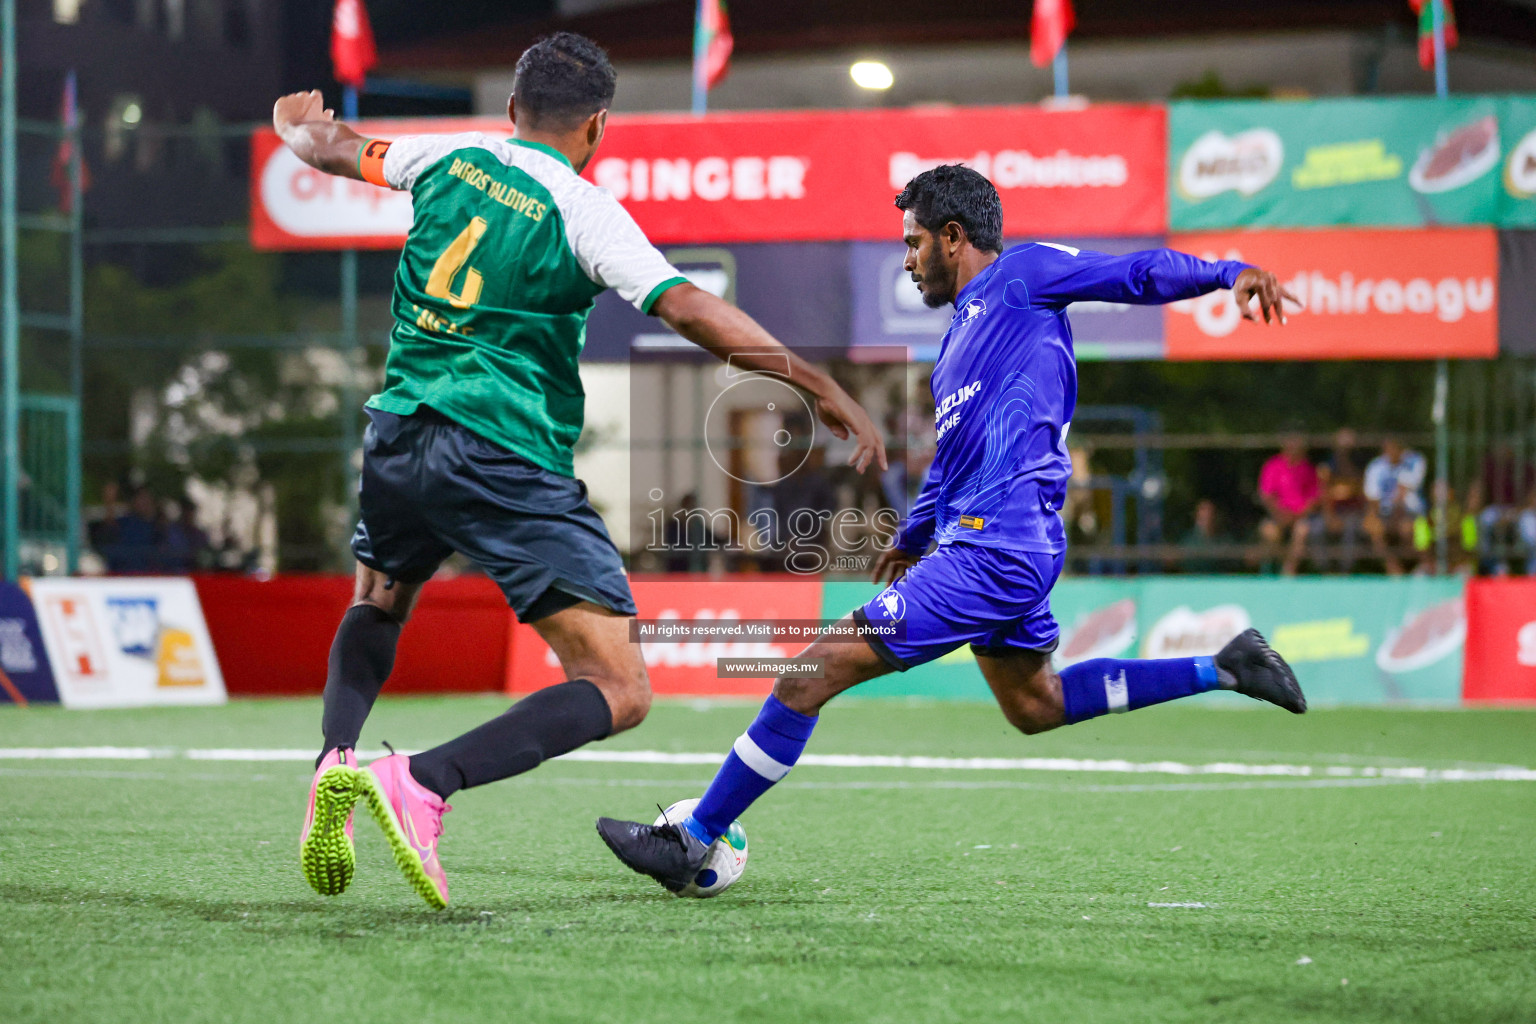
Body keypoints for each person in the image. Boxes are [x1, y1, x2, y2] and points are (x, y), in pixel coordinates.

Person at [275, 33, 886, 909]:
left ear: (513, 108)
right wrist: (815, 380)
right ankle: (421, 781)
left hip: (399, 434)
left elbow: (331, 147)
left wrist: (295, 124)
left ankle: (333, 761)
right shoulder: (582, 208)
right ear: (597, 125)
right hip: (501, 451)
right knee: (618, 687)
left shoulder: (448, 156)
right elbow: (687, 306)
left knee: (378, 597)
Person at [596, 165, 1307, 893]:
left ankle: (694, 838)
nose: (907, 260)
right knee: (1036, 706)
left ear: (953, 238)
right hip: (990, 544)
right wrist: (913, 534)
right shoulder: (956, 350)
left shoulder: (1023, 276)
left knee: (809, 673)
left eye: (913, 244)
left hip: (997, 548)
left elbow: (1133, 272)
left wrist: (1227, 273)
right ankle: (1226, 667)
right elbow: (956, 457)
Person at [1256, 432, 1318, 576]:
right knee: (1269, 532)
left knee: (1302, 531)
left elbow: (1314, 499)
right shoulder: (1273, 466)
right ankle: (1268, 572)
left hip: (1300, 518)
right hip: (1277, 516)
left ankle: (1288, 573)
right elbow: (1266, 496)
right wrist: (1281, 515)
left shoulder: (1307, 468)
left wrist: (1298, 514)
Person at [1363, 437, 1426, 575]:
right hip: (1385, 513)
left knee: (1407, 529)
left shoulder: (1414, 461)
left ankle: (1424, 567)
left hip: (1411, 512)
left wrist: (1395, 512)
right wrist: (1375, 516)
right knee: (1374, 528)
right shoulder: (1376, 467)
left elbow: (1405, 491)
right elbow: (1372, 497)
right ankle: (1394, 571)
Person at [1311, 427, 1366, 572]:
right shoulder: (1327, 461)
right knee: (1316, 528)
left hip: (1354, 512)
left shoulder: (1360, 461)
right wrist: (1329, 516)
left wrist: (1345, 460)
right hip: (1331, 511)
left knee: (1351, 529)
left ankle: (1345, 571)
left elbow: (1359, 488)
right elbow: (1324, 491)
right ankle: (1324, 571)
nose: (1346, 443)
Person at [1178, 498, 1228, 574]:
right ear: (1196, 515)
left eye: (1210, 512)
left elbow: (1235, 558)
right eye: (1203, 511)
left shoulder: (1224, 539)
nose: (1207, 515)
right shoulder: (1187, 539)